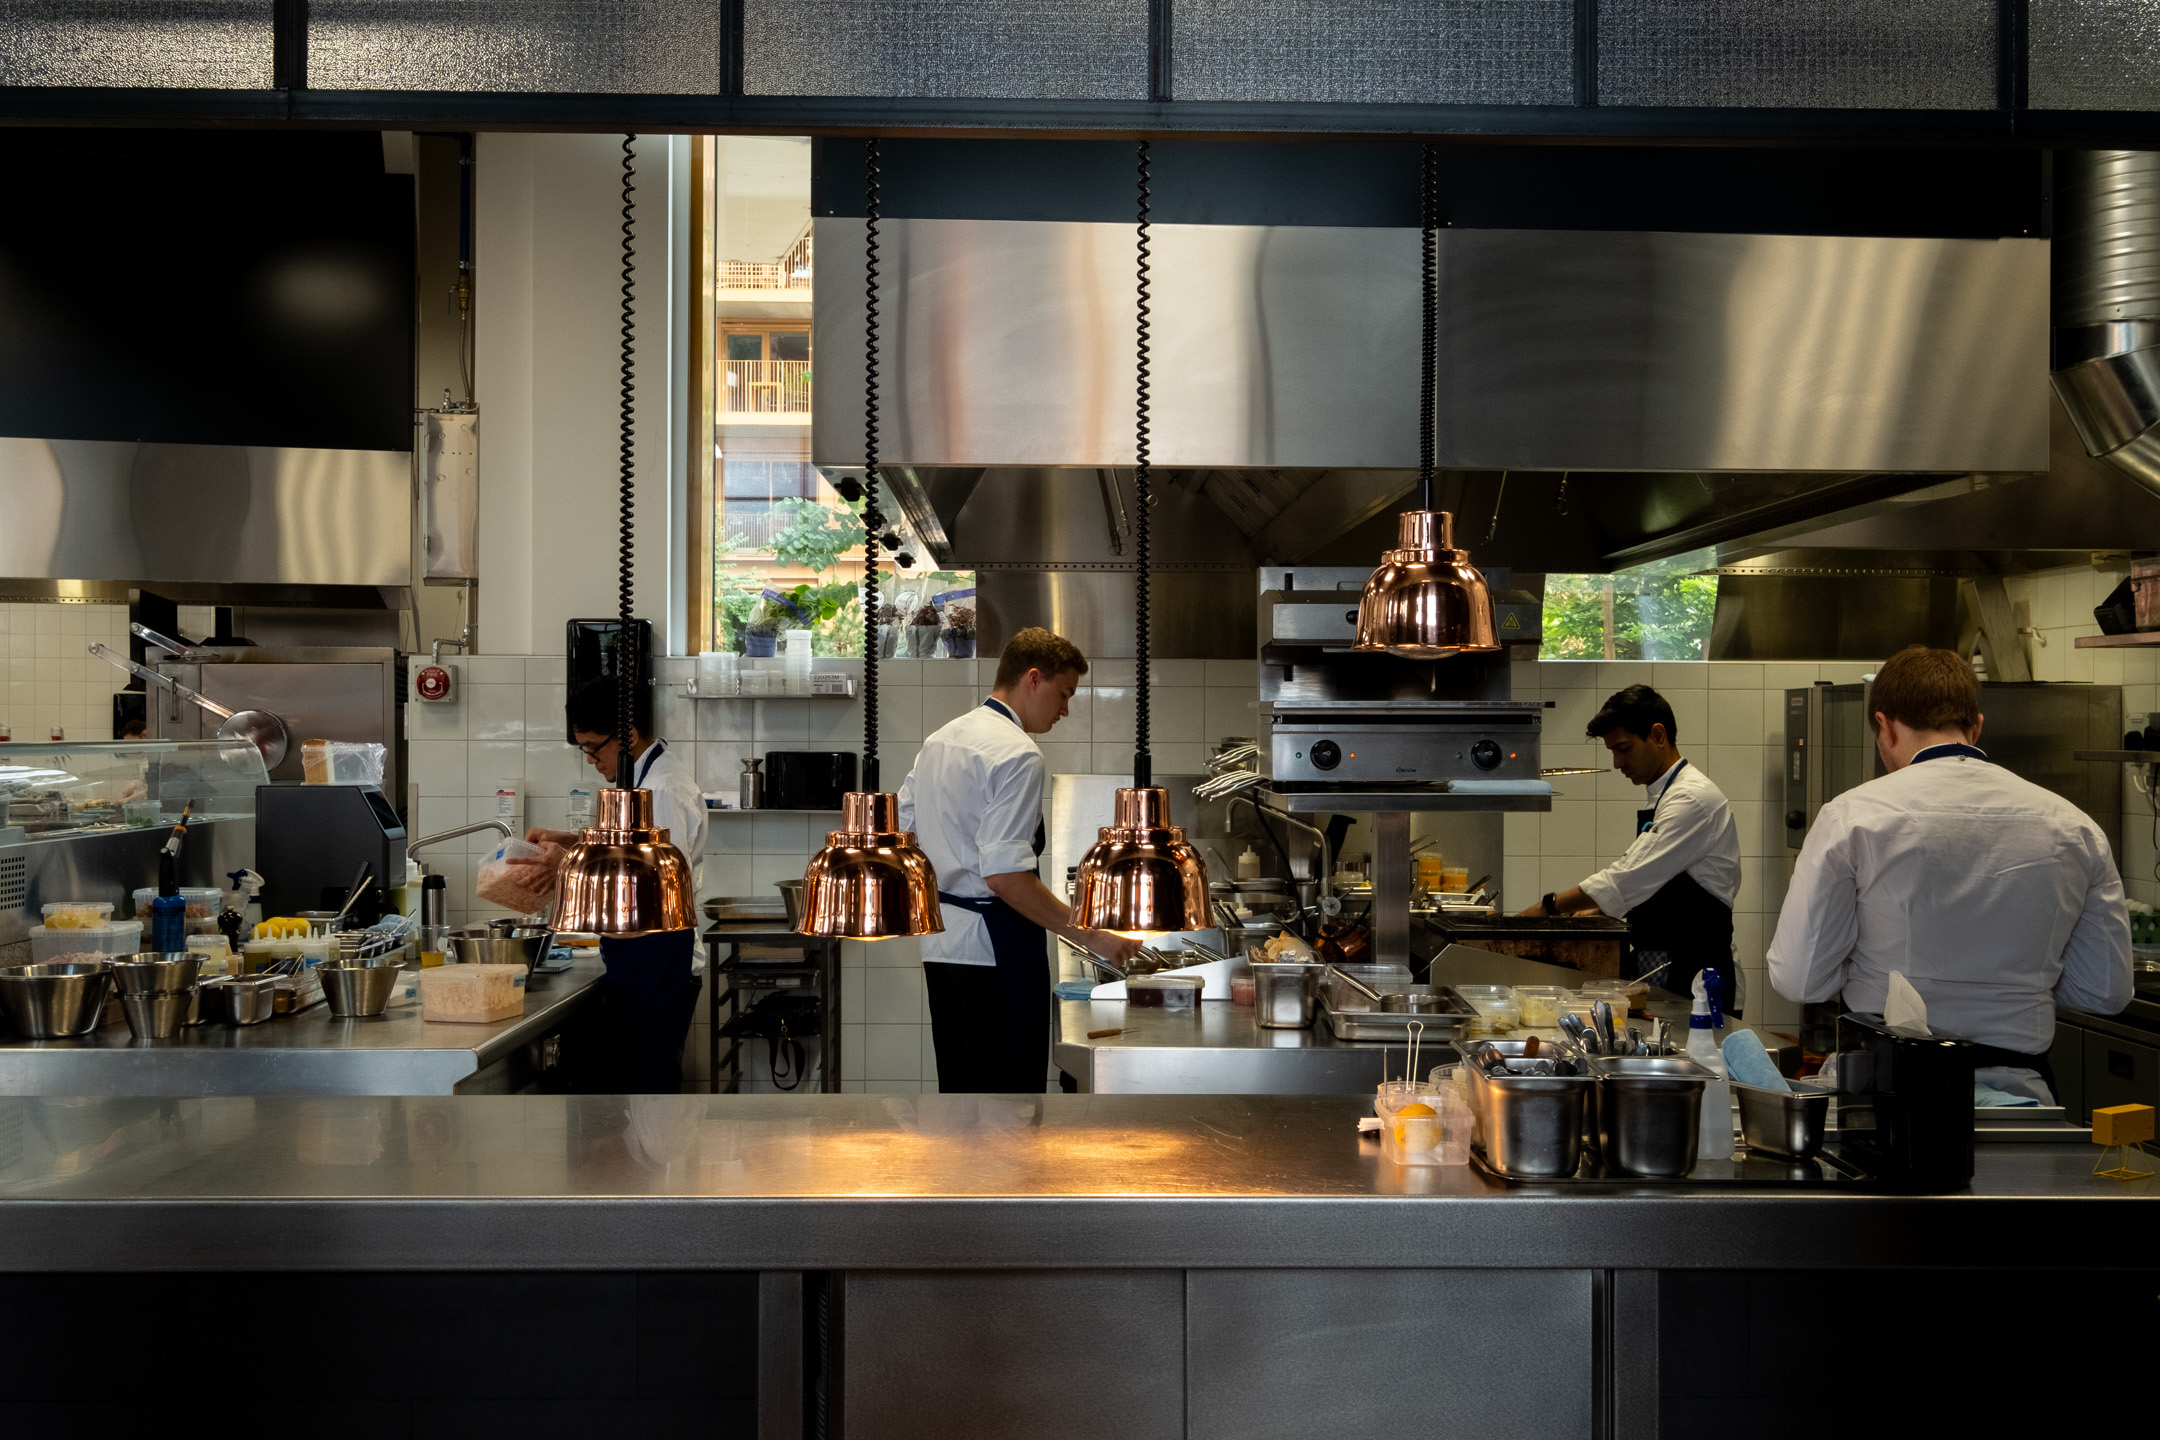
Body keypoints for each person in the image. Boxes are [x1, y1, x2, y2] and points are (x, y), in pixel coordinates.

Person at [1767, 645, 2131, 1102]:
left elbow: (1799, 978)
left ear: (1884, 726)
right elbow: (2106, 992)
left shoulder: (1853, 816)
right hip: (2021, 1099)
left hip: (1888, 1097)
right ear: (1976, 726)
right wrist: (2015, 983)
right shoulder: (2076, 828)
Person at [899, 627, 1143, 1094]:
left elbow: (904, 831)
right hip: (996, 954)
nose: (1066, 709)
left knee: (963, 1096)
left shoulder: (941, 741)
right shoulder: (1018, 755)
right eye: (1064, 693)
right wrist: (1093, 936)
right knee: (1009, 1107)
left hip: (943, 947)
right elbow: (1006, 877)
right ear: (1033, 678)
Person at [1518, 684, 1743, 1009]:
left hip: (1698, 977)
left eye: (1623, 748)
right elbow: (1655, 880)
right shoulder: (1667, 794)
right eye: (1612, 751)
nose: (1616, 762)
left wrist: (1548, 907)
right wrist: (1598, 907)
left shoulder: (1691, 799)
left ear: (1658, 735)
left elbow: (1627, 877)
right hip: (1664, 964)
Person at [516, 676, 707, 898]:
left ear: (630, 737)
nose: (590, 760)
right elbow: (630, 852)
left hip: (657, 931)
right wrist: (572, 843)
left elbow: (658, 881)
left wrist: (569, 864)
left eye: (594, 747)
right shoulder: (644, 776)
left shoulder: (660, 790)